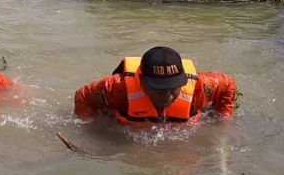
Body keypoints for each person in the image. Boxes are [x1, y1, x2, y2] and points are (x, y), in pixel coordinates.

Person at [74, 46, 238, 123]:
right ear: (141, 81)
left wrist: (223, 120)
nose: (167, 95)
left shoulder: (200, 87)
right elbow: (83, 96)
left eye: (173, 87)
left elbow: (228, 84)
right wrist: (92, 127)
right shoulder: (117, 88)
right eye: (159, 88)